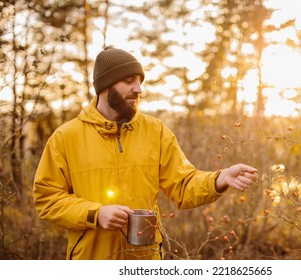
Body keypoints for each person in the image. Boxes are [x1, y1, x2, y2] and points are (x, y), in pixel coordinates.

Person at [33, 46, 258, 260]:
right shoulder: (65, 137)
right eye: (129, 81)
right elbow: (48, 199)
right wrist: (95, 214)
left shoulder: (156, 131)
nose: (139, 89)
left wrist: (220, 178)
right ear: (105, 86)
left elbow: (183, 184)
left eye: (140, 81)